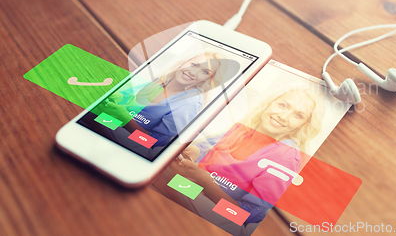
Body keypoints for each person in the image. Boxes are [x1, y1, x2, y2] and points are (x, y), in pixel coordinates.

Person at [164, 87, 326, 224]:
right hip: (189, 191)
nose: (283, 116)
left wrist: (205, 181)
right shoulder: (242, 129)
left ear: (304, 125)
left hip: (208, 212)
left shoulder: (286, 159)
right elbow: (204, 149)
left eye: (298, 115)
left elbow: (244, 217)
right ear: (269, 103)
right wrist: (194, 151)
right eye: (282, 105)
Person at [97, 51, 229, 147]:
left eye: (205, 72)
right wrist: (119, 98)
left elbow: (150, 143)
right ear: (184, 62)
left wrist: (126, 120)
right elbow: (129, 100)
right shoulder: (163, 80)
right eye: (194, 64)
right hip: (105, 128)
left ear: (209, 79)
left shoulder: (189, 105)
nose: (192, 72)